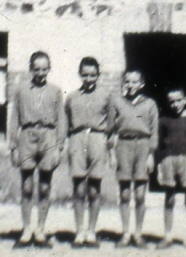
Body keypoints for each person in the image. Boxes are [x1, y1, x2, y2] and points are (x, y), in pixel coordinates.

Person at [8, 51, 66, 248]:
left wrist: (59, 146)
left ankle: (40, 230)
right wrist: (13, 147)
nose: (41, 73)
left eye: (44, 69)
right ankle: (26, 230)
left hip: (48, 137)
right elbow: (14, 118)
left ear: (49, 69)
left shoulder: (56, 91)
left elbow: (61, 119)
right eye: (37, 69)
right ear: (31, 69)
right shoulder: (21, 90)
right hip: (27, 136)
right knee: (26, 186)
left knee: (44, 186)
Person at [64, 57, 112, 248]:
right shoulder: (72, 97)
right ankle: (79, 231)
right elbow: (66, 120)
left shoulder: (106, 96)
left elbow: (111, 121)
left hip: (98, 139)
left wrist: (107, 142)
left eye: (93, 75)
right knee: (79, 188)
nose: (89, 78)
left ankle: (91, 231)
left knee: (94, 187)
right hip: (77, 138)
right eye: (85, 74)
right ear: (80, 74)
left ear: (98, 75)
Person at [108, 70, 158, 249]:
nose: (130, 85)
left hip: (143, 147)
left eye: (135, 82)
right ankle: (125, 233)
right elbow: (110, 130)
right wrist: (111, 153)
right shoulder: (116, 101)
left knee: (140, 194)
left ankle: (138, 234)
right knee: (124, 193)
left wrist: (151, 155)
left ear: (141, 84)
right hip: (123, 145)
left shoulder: (150, 104)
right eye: (127, 81)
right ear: (123, 83)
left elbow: (154, 131)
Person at [156, 88, 186, 252]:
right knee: (169, 199)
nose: (175, 104)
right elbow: (160, 146)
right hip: (169, 160)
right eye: (172, 101)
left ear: (185, 100)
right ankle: (168, 236)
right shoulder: (164, 121)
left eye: (178, 100)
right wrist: (160, 167)